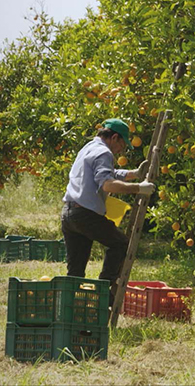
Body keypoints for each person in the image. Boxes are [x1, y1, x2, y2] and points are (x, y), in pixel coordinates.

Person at [61, 118, 155, 300]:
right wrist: (138, 188)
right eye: (122, 144)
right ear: (114, 137)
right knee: (120, 243)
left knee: (75, 272)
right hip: (85, 215)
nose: (121, 150)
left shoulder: (88, 148)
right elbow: (108, 184)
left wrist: (133, 174)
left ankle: (68, 312)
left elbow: (105, 173)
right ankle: (105, 292)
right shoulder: (104, 153)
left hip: (69, 214)